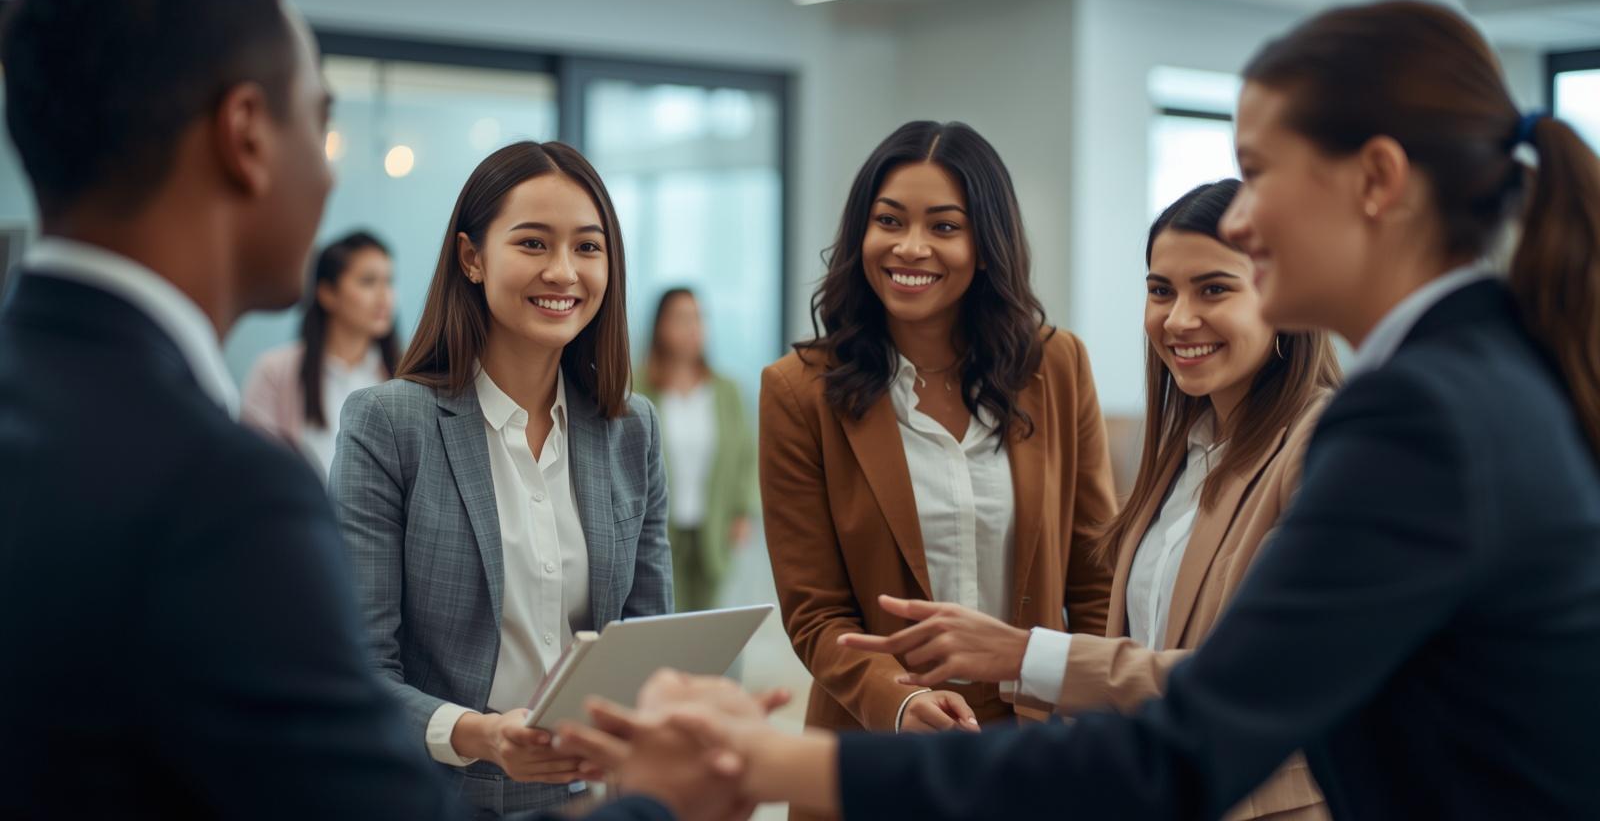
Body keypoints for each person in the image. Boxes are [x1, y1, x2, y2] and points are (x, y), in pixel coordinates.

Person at [564, 0, 1600, 821]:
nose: (1235, 217)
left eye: (1254, 174)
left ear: (1376, 178)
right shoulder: (1482, 374)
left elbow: (1186, 740)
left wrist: (768, 757)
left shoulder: (1413, 412)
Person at [0, 0, 688, 818]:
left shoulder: (68, 415)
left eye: (588, 247)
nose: (328, 179)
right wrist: (665, 801)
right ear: (248, 136)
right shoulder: (226, 488)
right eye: (320, 122)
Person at [838, 178, 1340, 820]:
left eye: (1214, 288)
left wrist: (1023, 654)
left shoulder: (1323, 447)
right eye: (1160, 290)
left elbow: (1250, 684)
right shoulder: (1186, 450)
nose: (1178, 318)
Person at [331, 140, 673, 817]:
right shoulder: (389, 424)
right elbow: (357, 671)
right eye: (533, 243)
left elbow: (649, 644)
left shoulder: (632, 430)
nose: (563, 272)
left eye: (588, 247)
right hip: (437, 794)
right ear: (471, 257)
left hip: (593, 797)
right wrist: (482, 736)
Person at [759, 120, 1118, 754]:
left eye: (944, 227)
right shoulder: (799, 392)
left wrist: (1099, 723)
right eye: (890, 221)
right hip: (880, 741)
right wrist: (901, 700)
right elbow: (815, 612)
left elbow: (1095, 580)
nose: (911, 248)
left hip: (1037, 743)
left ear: (985, 244)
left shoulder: (1056, 366)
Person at [634, 287, 759, 612]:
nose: (693, 328)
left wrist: (744, 511)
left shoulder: (726, 391)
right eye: (682, 318)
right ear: (660, 326)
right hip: (658, 529)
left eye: (699, 318)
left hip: (713, 523)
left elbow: (747, 456)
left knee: (713, 623)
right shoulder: (637, 388)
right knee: (662, 617)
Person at [242, 229, 398, 476]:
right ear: (327, 293)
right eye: (368, 281)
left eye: (388, 282)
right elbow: (254, 467)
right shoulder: (275, 371)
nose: (385, 297)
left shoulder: (408, 373)